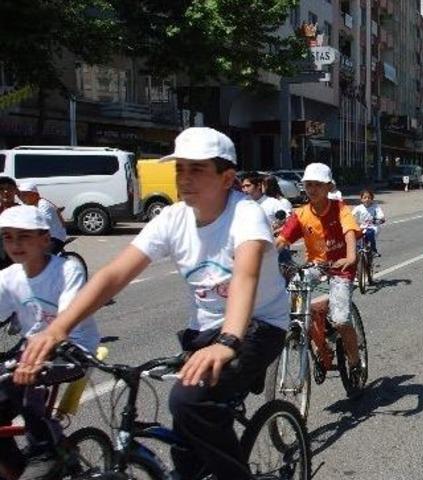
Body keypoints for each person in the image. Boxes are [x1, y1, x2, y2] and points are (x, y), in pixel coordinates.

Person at [16, 127, 289, 480]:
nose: (184, 179)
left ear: (227, 178)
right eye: (180, 169)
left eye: (196, 169)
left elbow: (245, 275)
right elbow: (114, 275)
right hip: (205, 332)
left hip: (258, 326)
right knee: (186, 442)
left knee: (187, 401)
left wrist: (228, 341)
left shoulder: (245, 213)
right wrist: (57, 329)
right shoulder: (172, 218)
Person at [0, 206, 100, 480]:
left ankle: (45, 451)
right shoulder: (9, 276)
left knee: (30, 384)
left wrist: (40, 353)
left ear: (45, 239)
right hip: (30, 350)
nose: (15, 244)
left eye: (24, 236)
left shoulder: (67, 269)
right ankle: (17, 466)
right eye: (8, 237)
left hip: (73, 349)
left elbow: (68, 317)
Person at [276, 163, 364, 386]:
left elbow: (350, 232)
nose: (312, 189)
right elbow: (282, 240)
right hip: (315, 266)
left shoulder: (339, 208)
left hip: (341, 266)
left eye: (318, 185)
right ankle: (321, 348)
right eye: (308, 185)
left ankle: (355, 362)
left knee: (342, 319)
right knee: (296, 301)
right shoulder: (301, 214)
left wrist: (351, 256)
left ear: (328, 187)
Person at [16, 182, 68, 255]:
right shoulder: (25, 203)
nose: (22, 197)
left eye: (25, 194)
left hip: (55, 236)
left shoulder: (44, 206)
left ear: (35, 195)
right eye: (20, 194)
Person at [352, 190, 385, 256]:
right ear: (361, 199)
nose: (367, 199)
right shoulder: (358, 208)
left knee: (369, 233)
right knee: (354, 238)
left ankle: (373, 249)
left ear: (372, 199)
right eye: (365, 197)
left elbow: (381, 216)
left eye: (369, 198)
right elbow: (351, 215)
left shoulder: (375, 207)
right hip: (362, 227)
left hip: (373, 227)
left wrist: (381, 219)